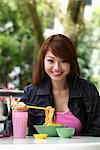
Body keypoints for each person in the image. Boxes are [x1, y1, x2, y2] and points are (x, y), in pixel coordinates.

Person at [14, 34, 100, 136]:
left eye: (64, 61)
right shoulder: (31, 93)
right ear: (43, 61)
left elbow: (97, 130)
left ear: (71, 63)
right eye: (51, 60)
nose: (57, 68)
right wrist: (18, 113)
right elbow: (10, 132)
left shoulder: (88, 91)